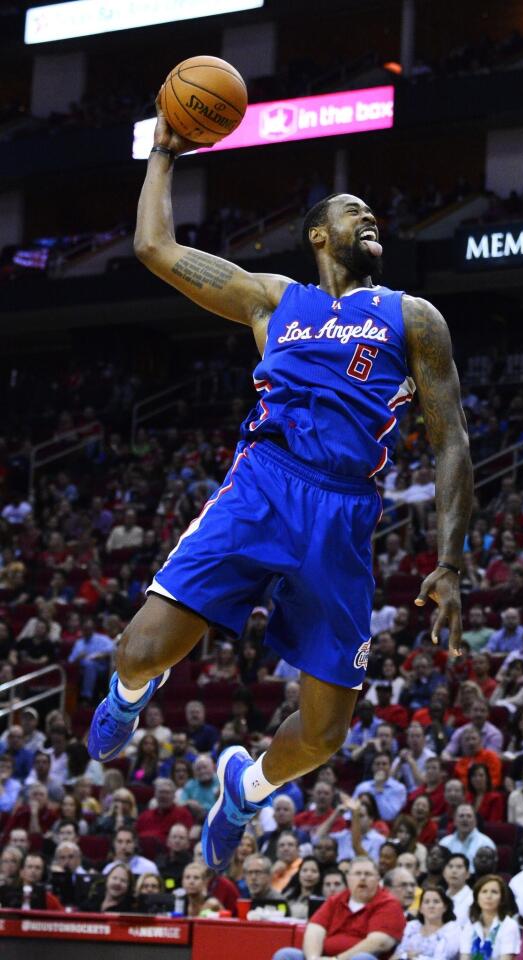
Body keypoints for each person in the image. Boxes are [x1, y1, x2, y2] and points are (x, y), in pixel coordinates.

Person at [89, 126, 474, 876]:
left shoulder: (413, 317)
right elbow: (155, 250)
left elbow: (451, 440)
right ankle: (131, 698)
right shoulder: (274, 300)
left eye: (375, 216)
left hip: (343, 514)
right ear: (319, 233)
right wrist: (164, 153)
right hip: (263, 485)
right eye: (355, 210)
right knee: (137, 650)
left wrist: (451, 562)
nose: (372, 220)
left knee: (326, 735)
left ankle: (246, 789)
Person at [272, 856, 406, 960]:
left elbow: (379, 942)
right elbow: (314, 929)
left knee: (362, 958)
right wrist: (314, 958)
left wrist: (337, 959)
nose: (362, 878)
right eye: (357, 874)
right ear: (348, 878)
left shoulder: (388, 903)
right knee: (286, 955)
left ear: (378, 878)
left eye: (368, 874)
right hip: (326, 957)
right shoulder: (336, 900)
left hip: (354, 958)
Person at [460, 874, 521, 960]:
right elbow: (464, 957)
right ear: (477, 897)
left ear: (502, 898)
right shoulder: (469, 925)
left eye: (494, 892)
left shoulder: (509, 925)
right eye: (484, 891)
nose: (488, 896)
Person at [391, 885, 460, 959]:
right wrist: (406, 956)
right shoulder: (411, 926)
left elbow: (442, 957)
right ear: (420, 908)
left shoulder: (452, 929)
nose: (431, 906)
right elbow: (396, 955)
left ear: (445, 907)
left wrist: (414, 958)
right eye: (426, 902)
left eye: (436, 902)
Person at [443, 852, 473, 922]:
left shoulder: (472, 899)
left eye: (459, 867)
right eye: (450, 866)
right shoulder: (441, 897)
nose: (454, 871)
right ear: (444, 873)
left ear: (468, 874)